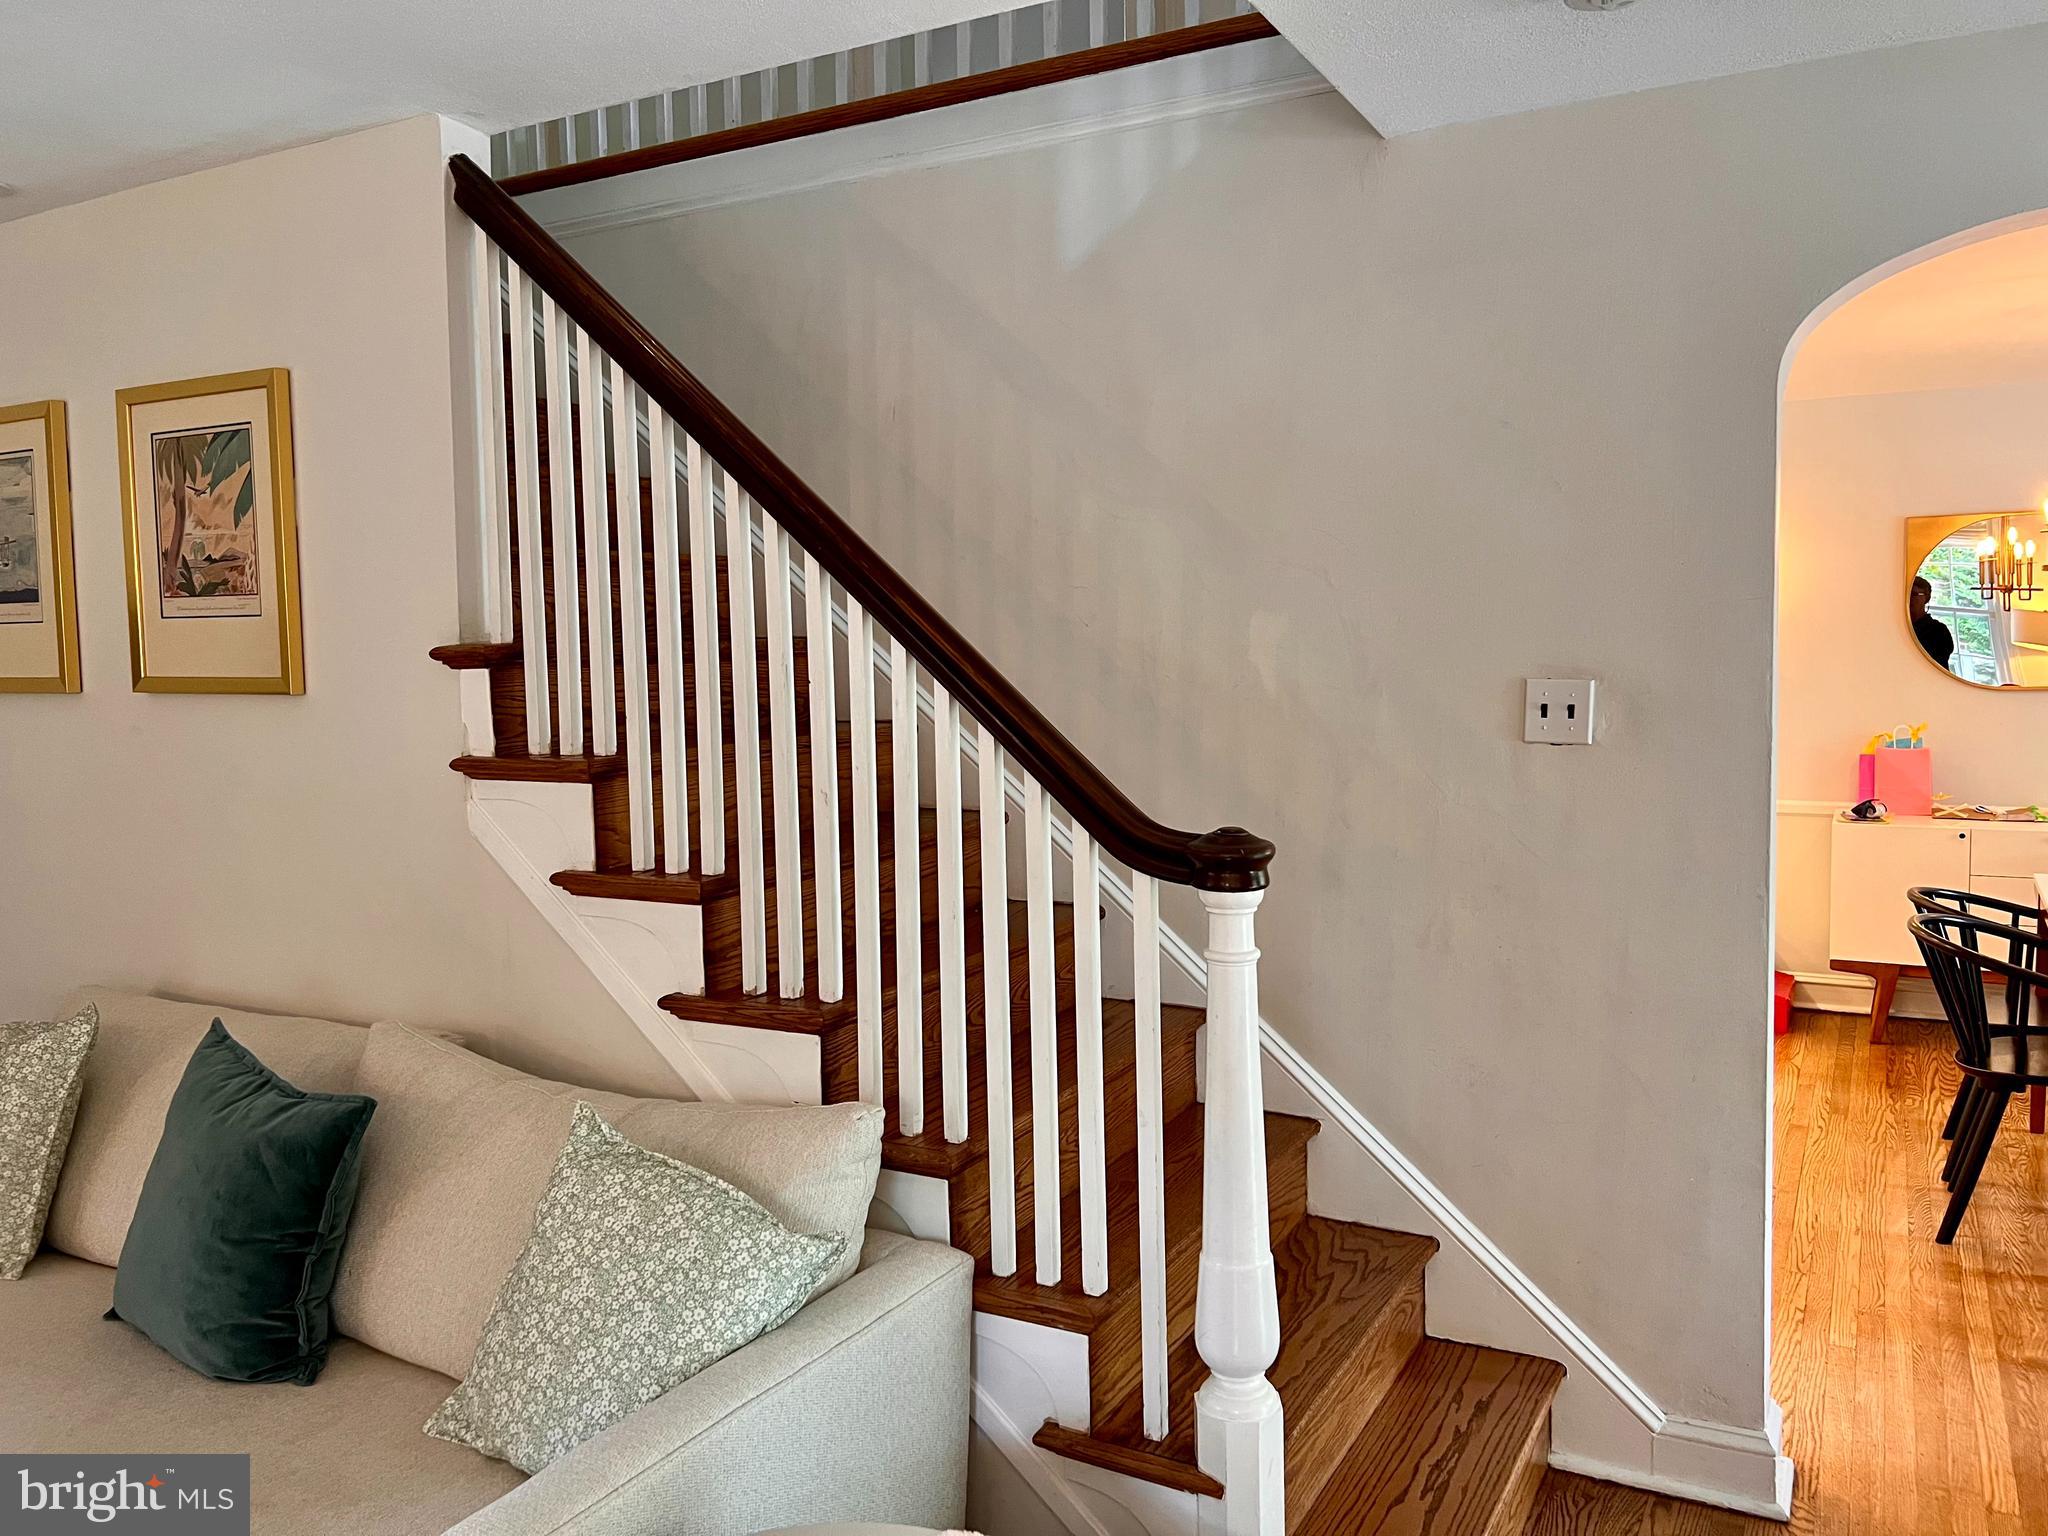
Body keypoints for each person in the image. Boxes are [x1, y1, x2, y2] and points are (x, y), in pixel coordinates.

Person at [1910, 575, 1956, 672]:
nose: (1909, 598)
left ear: (1926, 598)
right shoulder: (1899, 627)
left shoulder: (1939, 631)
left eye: (1914, 594)